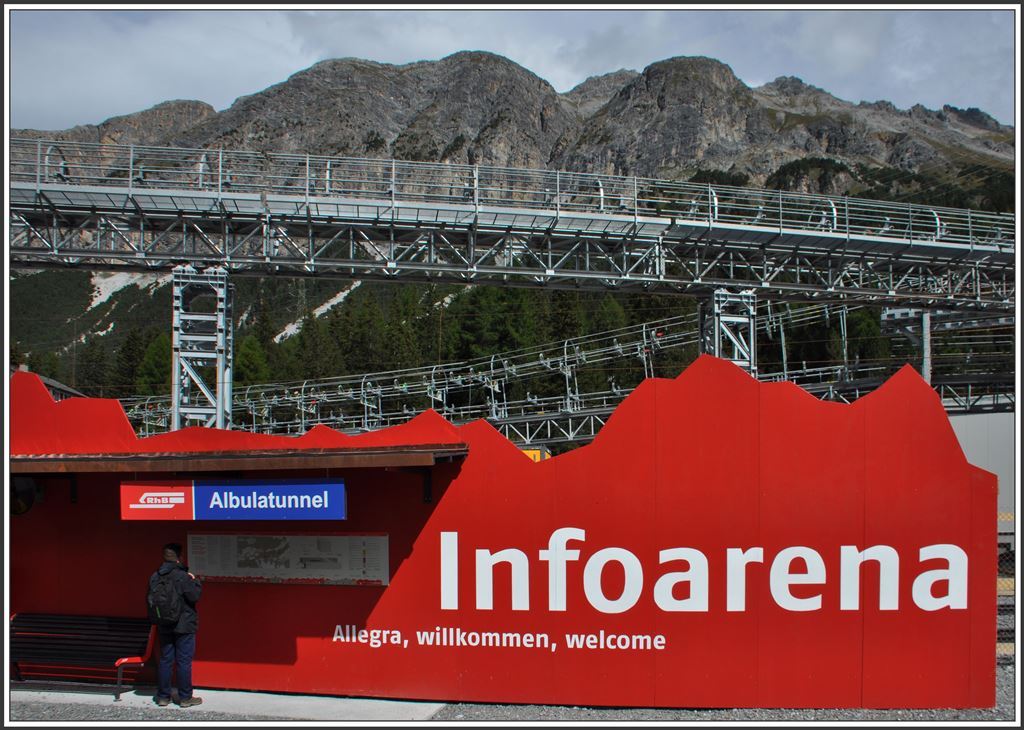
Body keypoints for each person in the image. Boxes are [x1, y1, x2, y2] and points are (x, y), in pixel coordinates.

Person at [149, 542, 203, 707]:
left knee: (166, 660)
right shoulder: (183, 576)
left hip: (164, 623)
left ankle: (163, 696)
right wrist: (195, 581)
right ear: (179, 558)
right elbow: (194, 596)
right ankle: (185, 697)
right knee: (183, 661)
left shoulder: (155, 576)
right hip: (184, 624)